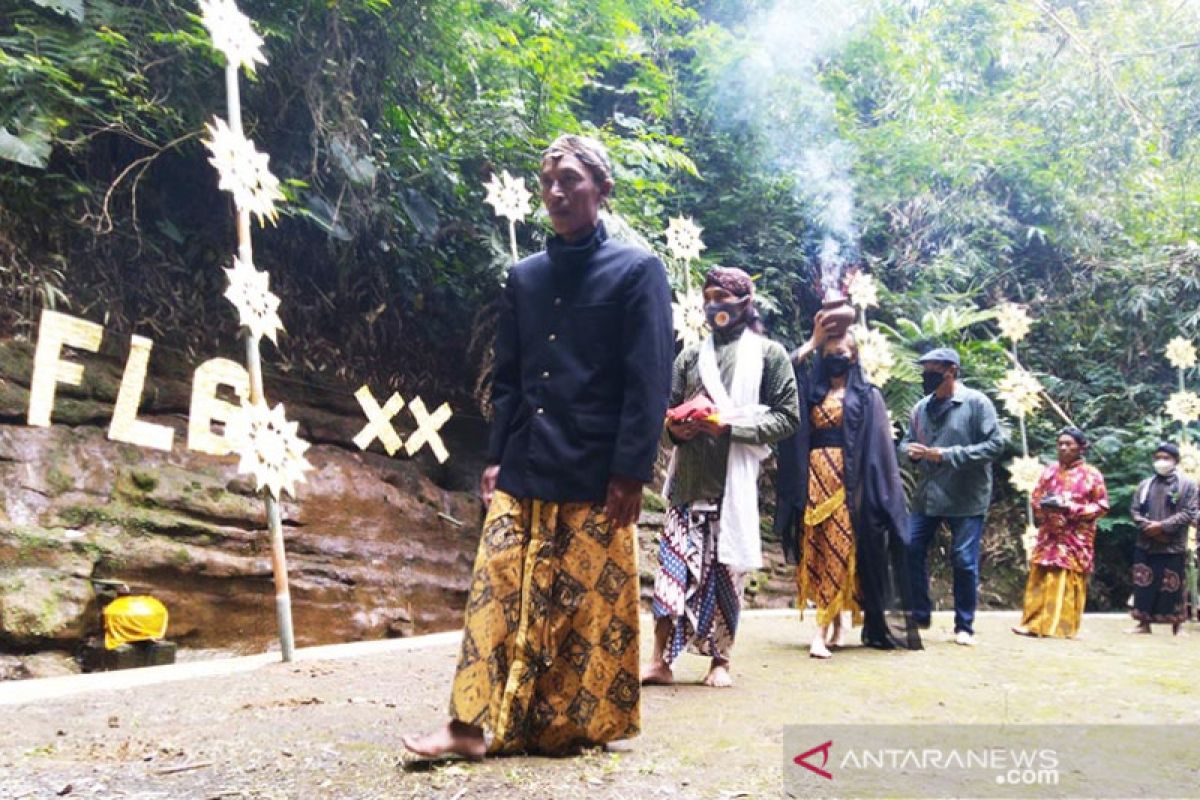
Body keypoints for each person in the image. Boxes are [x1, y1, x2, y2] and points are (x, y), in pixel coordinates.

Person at [402, 134, 673, 758]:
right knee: (493, 586)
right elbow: (509, 377)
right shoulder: (524, 276)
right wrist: (496, 456)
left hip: (597, 471)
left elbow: (649, 380)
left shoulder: (637, 271)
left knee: (585, 609)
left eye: (572, 179)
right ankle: (466, 727)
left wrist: (632, 471)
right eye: (549, 179)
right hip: (525, 464)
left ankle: (564, 725)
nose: (556, 190)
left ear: (602, 190)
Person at [641, 267, 799, 688]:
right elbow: (666, 413)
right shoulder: (689, 356)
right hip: (687, 485)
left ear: (746, 304)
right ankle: (660, 660)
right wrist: (678, 428)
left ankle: (720, 662)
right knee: (671, 580)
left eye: (723, 298)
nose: (715, 306)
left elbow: (789, 417)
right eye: (708, 297)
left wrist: (729, 427)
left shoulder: (770, 355)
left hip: (732, 488)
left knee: (727, 578)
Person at [775, 316, 922, 658]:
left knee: (839, 550)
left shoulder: (867, 396)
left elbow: (879, 450)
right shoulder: (811, 392)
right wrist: (812, 342)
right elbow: (782, 372)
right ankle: (837, 622)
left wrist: (873, 495)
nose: (835, 355)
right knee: (820, 552)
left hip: (848, 485)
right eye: (829, 350)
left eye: (841, 350)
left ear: (854, 357)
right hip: (814, 481)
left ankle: (819, 631)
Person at [899, 347, 1006, 646]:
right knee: (908, 545)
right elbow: (905, 442)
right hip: (928, 496)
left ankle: (965, 625)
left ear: (952, 371)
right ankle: (920, 612)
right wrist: (911, 452)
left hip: (966, 496)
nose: (926, 376)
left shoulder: (976, 403)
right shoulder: (920, 408)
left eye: (933, 370)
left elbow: (995, 445)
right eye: (925, 370)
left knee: (963, 559)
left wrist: (947, 455)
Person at [1012, 428, 1109, 639]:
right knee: (1041, 573)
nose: (1063, 447)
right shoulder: (1049, 471)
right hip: (1050, 532)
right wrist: (1046, 509)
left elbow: (1101, 506)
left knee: (1067, 576)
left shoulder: (1092, 474)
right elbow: (1036, 497)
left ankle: (1059, 626)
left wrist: (1072, 508)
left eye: (1069, 444)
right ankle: (1032, 623)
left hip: (1076, 534)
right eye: (1060, 444)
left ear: (1080, 447)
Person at [1128, 443, 1198, 636]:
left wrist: (1162, 526)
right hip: (1147, 542)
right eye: (1158, 457)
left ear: (1175, 460)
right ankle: (1143, 623)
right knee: (1144, 583)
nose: (1161, 462)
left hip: (1172, 544)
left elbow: (1189, 512)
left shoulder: (1188, 485)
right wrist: (1147, 526)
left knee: (1173, 585)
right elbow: (1134, 510)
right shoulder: (1145, 485)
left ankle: (1177, 625)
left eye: (1166, 458)